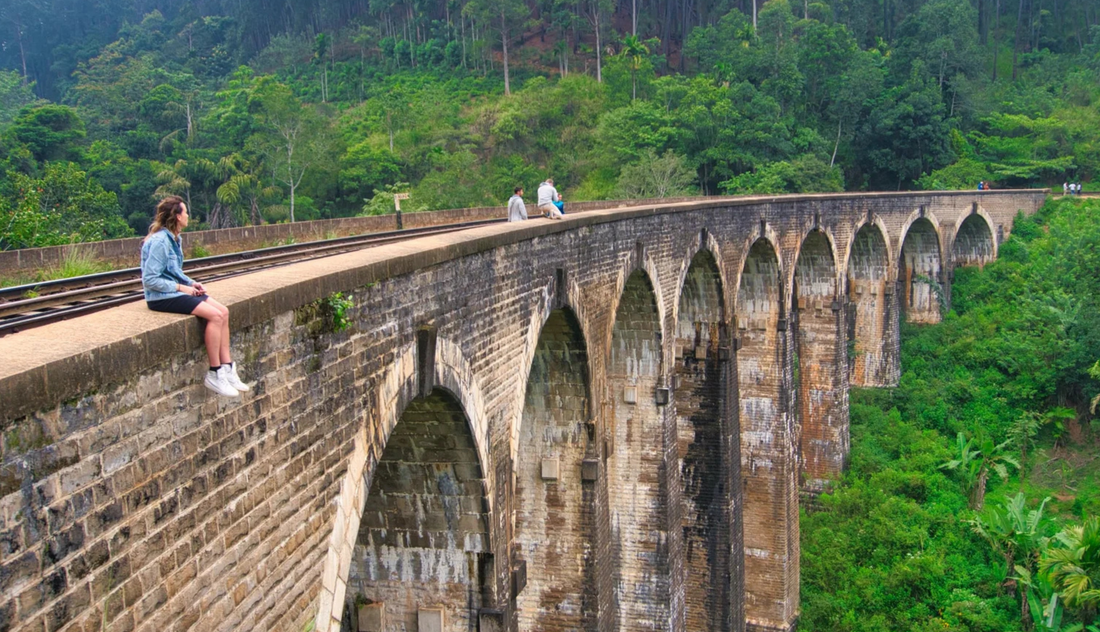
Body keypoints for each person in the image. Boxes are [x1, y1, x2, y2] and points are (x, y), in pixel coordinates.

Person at [141, 195, 249, 397]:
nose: (188, 216)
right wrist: (182, 289)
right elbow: (150, 279)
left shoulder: (174, 238)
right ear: (177, 216)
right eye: (186, 212)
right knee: (214, 317)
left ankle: (227, 368)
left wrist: (191, 283)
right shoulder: (159, 242)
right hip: (161, 297)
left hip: (175, 290)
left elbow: (173, 270)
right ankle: (215, 373)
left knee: (223, 312)